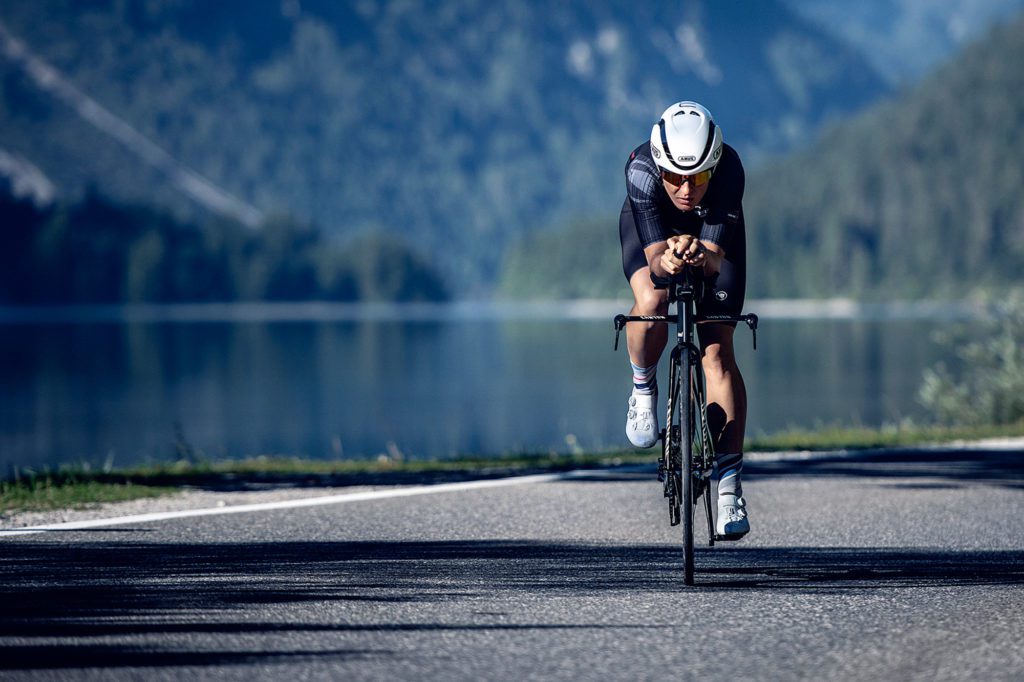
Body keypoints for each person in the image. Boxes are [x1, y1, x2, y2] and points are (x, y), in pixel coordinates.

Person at [618, 101, 750, 538]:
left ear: (714, 166)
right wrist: (670, 258)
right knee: (653, 299)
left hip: (714, 235)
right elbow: (655, 261)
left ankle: (729, 489)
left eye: (698, 177)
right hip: (651, 233)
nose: (687, 189)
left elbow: (713, 261)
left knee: (716, 352)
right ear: (660, 168)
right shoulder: (640, 172)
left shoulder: (730, 170)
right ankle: (643, 386)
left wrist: (701, 254)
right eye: (675, 177)